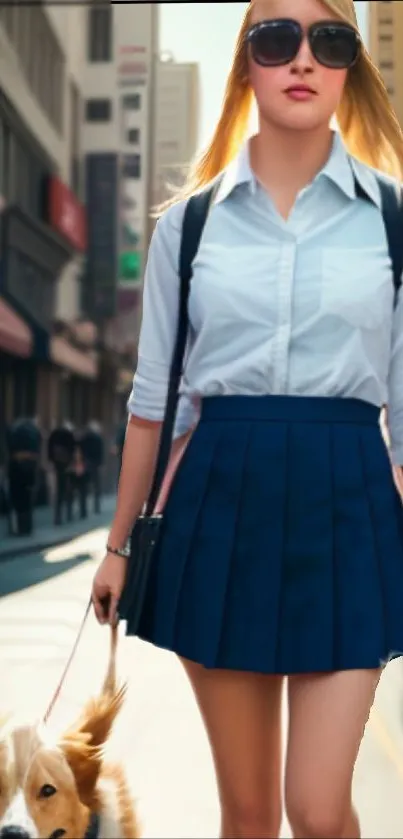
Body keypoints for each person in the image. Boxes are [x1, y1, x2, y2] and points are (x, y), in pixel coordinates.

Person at [92, 0, 403, 836]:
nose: (301, 59)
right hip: (218, 506)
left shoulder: (392, 219)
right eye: (276, 39)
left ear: (347, 67)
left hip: (350, 502)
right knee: (250, 812)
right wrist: (118, 546)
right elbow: (152, 402)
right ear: (246, 65)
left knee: (316, 804)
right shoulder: (189, 225)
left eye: (327, 40)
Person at [7, 417, 42, 536]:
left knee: (18, 500)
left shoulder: (16, 432)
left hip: (17, 470)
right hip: (30, 469)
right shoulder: (33, 433)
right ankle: (27, 527)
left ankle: (21, 527)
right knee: (27, 500)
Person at [48, 421, 76, 525]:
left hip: (58, 465)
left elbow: (49, 450)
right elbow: (73, 450)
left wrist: (51, 461)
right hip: (68, 466)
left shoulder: (54, 434)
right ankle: (69, 514)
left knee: (59, 491)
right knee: (69, 490)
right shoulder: (70, 435)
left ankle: (58, 517)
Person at [80, 421, 104, 513]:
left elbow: (81, 450)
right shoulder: (98, 438)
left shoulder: (84, 438)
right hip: (95, 464)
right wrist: (101, 463)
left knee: (84, 487)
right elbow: (100, 453)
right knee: (96, 487)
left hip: (85, 463)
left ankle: (83, 510)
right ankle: (96, 507)